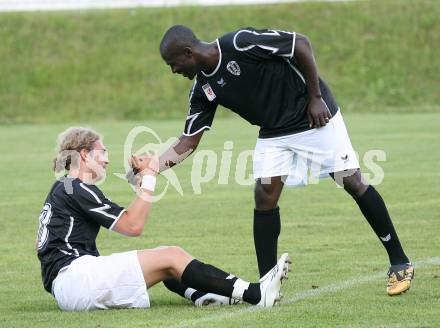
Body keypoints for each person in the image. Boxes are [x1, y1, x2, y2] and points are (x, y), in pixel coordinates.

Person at [156, 25, 413, 296]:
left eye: (173, 64)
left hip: (313, 116)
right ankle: (268, 285)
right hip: (274, 132)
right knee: (264, 194)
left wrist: (315, 97)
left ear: (188, 52)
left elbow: (300, 44)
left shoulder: (240, 43)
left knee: (351, 180)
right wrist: (153, 167)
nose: (174, 71)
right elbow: (188, 141)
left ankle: (399, 261)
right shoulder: (202, 89)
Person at [36, 127, 290, 311]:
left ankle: (204, 295)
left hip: (70, 284)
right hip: (76, 280)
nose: (107, 158)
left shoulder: (67, 187)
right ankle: (255, 293)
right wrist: (150, 176)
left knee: (164, 263)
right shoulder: (75, 187)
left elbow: (128, 217)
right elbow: (133, 225)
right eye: (102, 152)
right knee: (170, 255)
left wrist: (141, 182)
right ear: (83, 154)